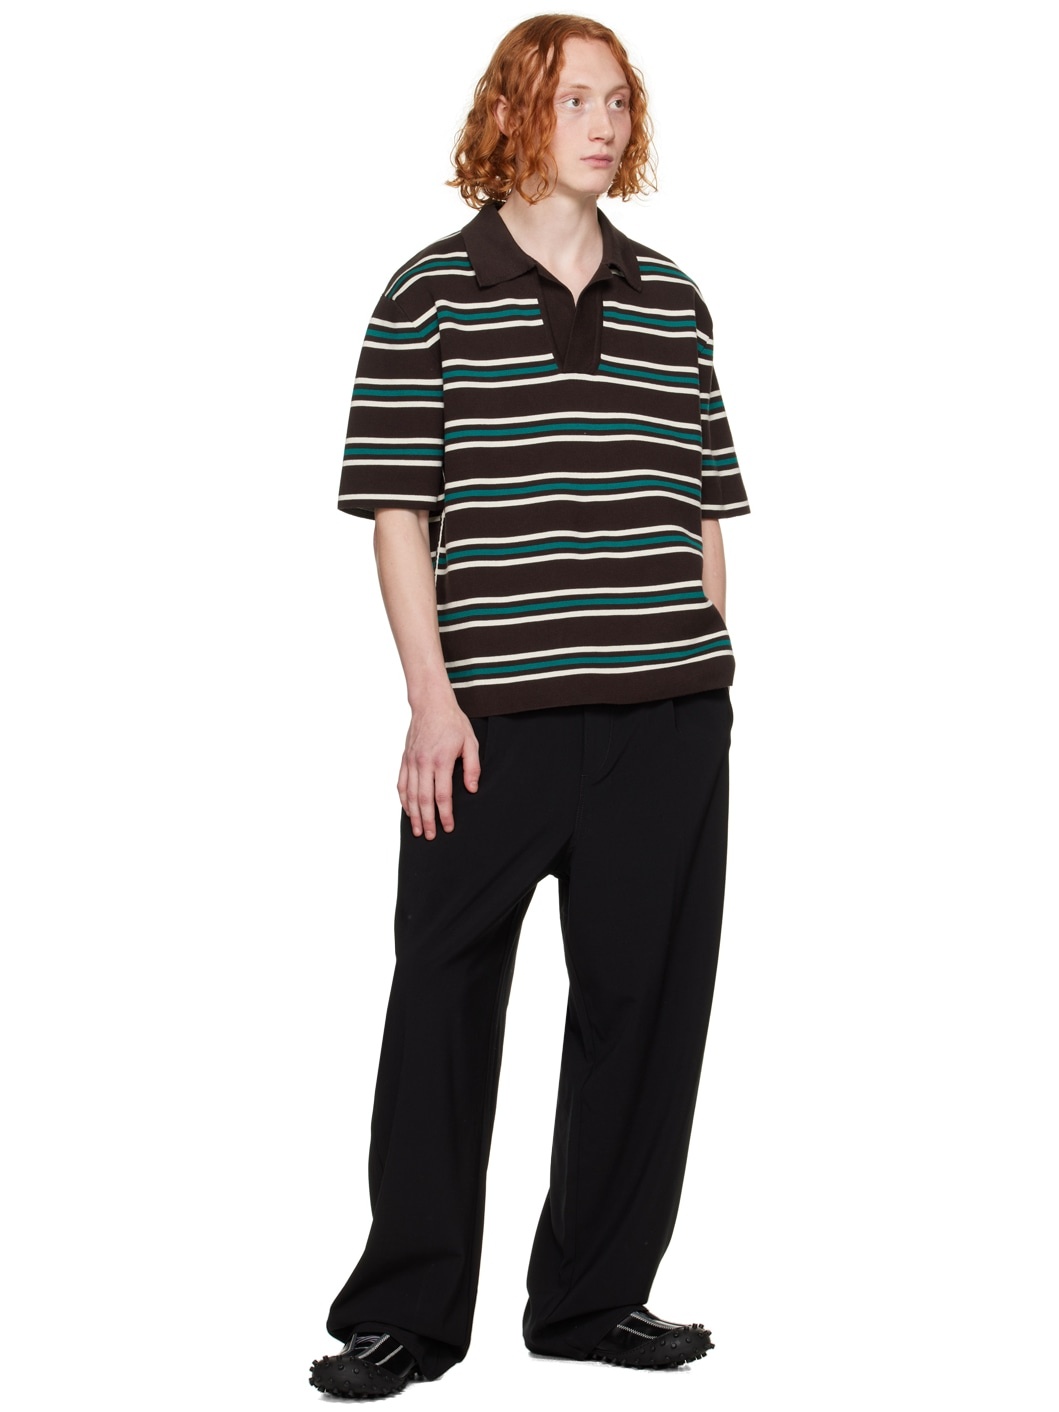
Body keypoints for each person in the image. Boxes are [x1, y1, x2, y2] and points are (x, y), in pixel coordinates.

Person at [310, 13, 750, 1399]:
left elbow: (702, 505)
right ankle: (405, 1313)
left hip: (666, 717)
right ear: (513, 113)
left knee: (644, 1011)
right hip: (488, 726)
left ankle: (593, 1299)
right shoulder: (428, 294)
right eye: (575, 101)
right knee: (442, 1005)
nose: (605, 125)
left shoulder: (673, 297)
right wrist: (430, 703)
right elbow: (399, 513)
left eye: (619, 101)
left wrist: (708, 669)